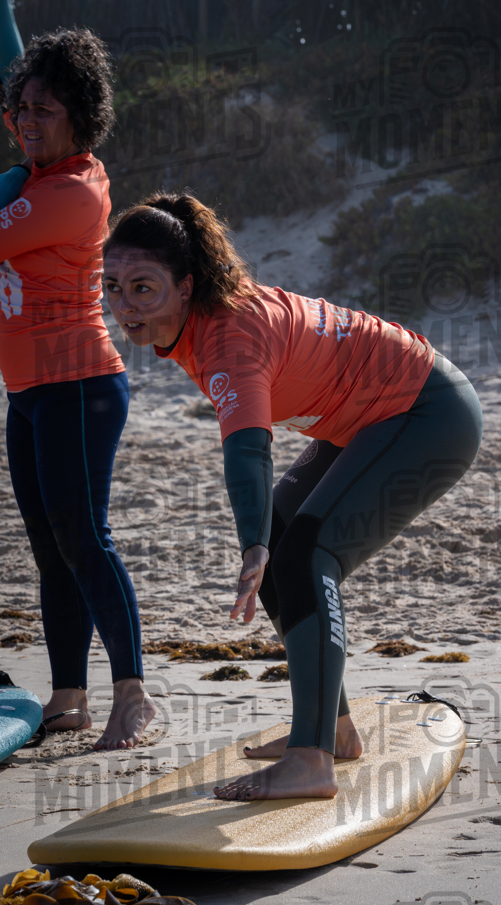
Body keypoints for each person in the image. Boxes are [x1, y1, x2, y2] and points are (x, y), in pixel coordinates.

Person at [103, 191, 483, 798]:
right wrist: (262, 541)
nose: (125, 305)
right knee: (286, 538)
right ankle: (334, 730)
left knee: (305, 555)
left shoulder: (228, 337)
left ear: (186, 285)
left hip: (427, 412)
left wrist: (252, 546)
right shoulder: (197, 321)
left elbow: (248, 451)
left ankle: (311, 760)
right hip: (367, 418)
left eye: (143, 288)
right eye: (114, 286)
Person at [0, 27, 156, 750]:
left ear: (81, 119)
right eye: (21, 108)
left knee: (85, 539)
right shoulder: (30, 182)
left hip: (79, 385)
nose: (30, 121)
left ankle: (132, 697)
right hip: (29, 391)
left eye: (46, 110)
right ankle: (70, 695)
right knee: (50, 546)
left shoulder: (71, 190)